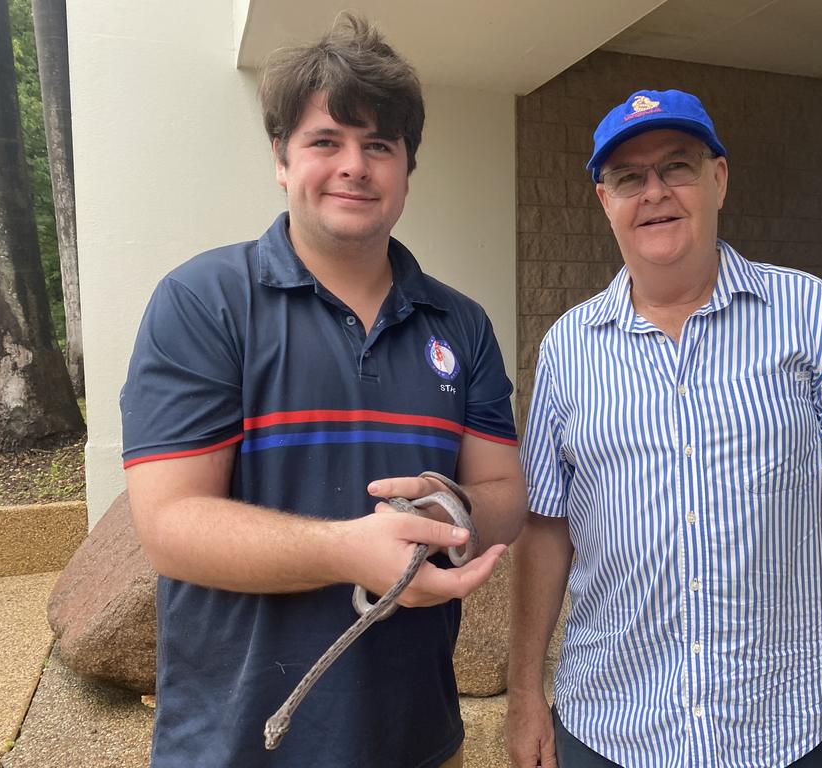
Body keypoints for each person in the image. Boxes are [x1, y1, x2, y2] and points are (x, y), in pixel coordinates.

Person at [120, 15, 526, 768]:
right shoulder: (204, 302)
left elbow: (504, 489)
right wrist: (349, 551)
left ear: (408, 167)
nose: (355, 166)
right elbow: (169, 525)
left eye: (380, 145)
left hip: (418, 739)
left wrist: (449, 504)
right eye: (325, 141)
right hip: (237, 744)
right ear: (281, 158)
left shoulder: (461, 324)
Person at [506, 89, 822, 768]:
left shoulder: (816, 319)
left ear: (719, 178)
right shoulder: (566, 349)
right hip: (611, 731)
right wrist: (524, 696)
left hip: (786, 730)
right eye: (628, 177)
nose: (654, 192)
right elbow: (544, 531)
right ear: (603, 200)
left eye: (677, 166)